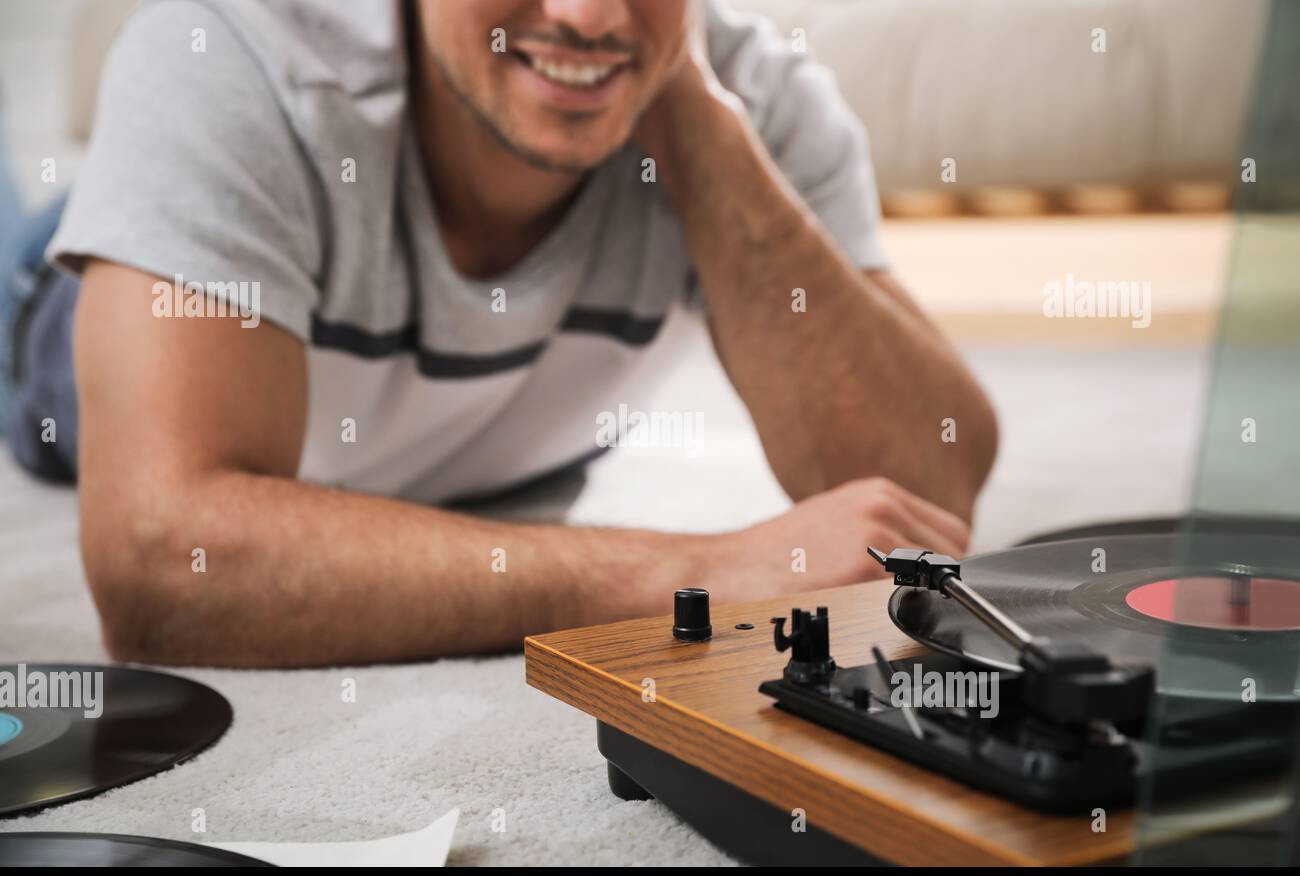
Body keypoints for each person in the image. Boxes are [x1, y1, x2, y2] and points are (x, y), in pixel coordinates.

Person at [13, 0, 995, 667]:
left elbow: (925, 484)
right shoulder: (234, 51)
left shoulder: (742, 85)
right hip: (41, 315)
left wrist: (690, 119)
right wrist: (697, 572)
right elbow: (161, 563)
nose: (587, 13)